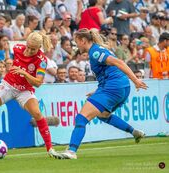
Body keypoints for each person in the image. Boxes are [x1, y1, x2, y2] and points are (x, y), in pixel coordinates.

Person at [55, 29, 147, 159]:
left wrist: (136, 80)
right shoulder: (97, 50)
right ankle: (134, 132)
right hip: (121, 87)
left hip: (113, 87)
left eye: (77, 43)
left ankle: (71, 151)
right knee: (103, 115)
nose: (76, 46)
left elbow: (119, 62)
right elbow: (108, 71)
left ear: (83, 40)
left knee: (81, 118)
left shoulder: (95, 52)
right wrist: (99, 91)